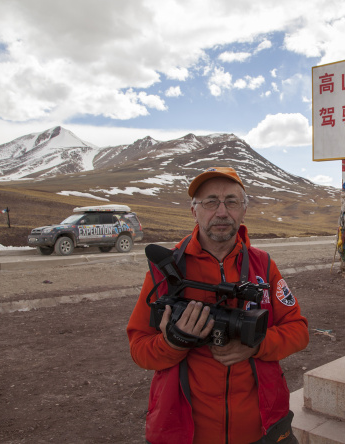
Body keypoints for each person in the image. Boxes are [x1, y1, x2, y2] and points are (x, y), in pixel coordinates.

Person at [127, 167, 309, 444]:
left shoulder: (263, 265)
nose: (222, 212)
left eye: (232, 202)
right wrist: (173, 342)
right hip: (184, 433)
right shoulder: (166, 269)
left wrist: (256, 345)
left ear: (243, 211)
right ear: (194, 211)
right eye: (211, 202)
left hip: (264, 428)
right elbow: (139, 348)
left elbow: (298, 331)